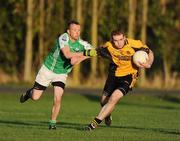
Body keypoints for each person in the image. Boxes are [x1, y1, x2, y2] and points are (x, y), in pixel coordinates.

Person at [20, 20, 96, 130]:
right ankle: (28, 93)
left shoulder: (82, 44)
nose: (77, 32)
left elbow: (94, 52)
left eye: (78, 30)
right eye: (74, 30)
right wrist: (84, 54)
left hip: (61, 74)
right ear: (68, 31)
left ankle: (52, 123)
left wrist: (82, 58)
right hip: (48, 69)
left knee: (58, 98)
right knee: (35, 97)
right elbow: (67, 54)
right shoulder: (63, 38)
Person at [85, 29, 154, 131]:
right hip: (113, 75)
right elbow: (94, 52)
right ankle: (107, 115)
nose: (118, 43)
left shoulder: (135, 44)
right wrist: (77, 56)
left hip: (129, 76)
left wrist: (149, 63)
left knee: (114, 98)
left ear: (124, 37)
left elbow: (150, 51)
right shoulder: (109, 46)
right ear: (112, 40)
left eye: (120, 39)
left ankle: (94, 123)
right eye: (115, 40)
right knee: (103, 102)